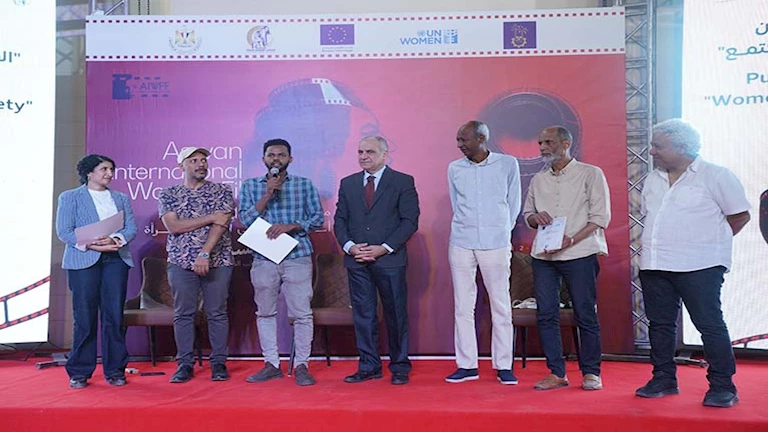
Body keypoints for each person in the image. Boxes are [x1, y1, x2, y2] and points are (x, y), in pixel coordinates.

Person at [636, 119, 750, 408]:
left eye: (658, 146)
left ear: (682, 147)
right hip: (655, 263)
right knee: (660, 325)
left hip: (701, 264)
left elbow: (739, 216)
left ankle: (723, 386)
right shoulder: (653, 179)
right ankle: (663, 378)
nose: (652, 152)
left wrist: (708, 243)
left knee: (709, 325)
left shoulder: (716, 175)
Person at [522, 125, 610, 391]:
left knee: (585, 313)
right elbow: (527, 214)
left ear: (566, 143)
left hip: (579, 253)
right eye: (540, 143)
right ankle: (556, 372)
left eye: (548, 142)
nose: (542, 147)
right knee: (546, 314)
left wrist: (571, 239)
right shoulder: (538, 179)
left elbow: (600, 218)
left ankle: (591, 373)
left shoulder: (590, 173)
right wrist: (535, 218)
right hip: (544, 256)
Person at [334, 135, 420, 385]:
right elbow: (340, 220)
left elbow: (409, 221)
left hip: (389, 260)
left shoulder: (402, 181)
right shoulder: (348, 183)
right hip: (357, 260)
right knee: (363, 315)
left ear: (384, 154)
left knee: (396, 315)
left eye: (370, 152)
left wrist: (384, 248)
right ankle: (369, 366)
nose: (363, 156)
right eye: (360, 152)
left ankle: (399, 366)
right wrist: (350, 247)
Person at [239, 139, 324, 386]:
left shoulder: (304, 185)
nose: (276, 158)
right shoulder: (250, 186)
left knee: (302, 314)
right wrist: (268, 193)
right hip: (263, 257)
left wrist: (293, 226)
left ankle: (302, 366)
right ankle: (271, 364)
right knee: (265, 312)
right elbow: (245, 219)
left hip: (298, 255)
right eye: (271, 155)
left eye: (281, 155)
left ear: (290, 159)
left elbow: (317, 218)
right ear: (264, 159)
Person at [445, 120, 521, 385]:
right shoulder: (454, 168)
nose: (459, 144)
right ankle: (467, 365)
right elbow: (456, 203)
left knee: (500, 304)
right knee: (463, 305)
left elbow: (513, 203)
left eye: (464, 139)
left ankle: (504, 365)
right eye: (458, 139)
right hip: (461, 241)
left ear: (481, 138)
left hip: (496, 242)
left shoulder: (507, 164)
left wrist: (501, 232)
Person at [55, 154, 137, 389]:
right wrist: (92, 244)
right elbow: (64, 231)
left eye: (111, 169)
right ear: (89, 173)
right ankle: (79, 372)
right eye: (104, 169)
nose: (109, 174)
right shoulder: (70, 197)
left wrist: (115, 239)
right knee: (84, 317)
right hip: (83, 260)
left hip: (115, 259)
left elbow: (131, 227)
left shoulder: (120, 198)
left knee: (114, 316)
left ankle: (115, 370)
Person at [158, 147, 235, 383]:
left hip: (218, 259)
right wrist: (210, 217)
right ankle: (184, 364)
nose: (201, 164)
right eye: (193, 160)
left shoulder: (222, 190)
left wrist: (204, 253)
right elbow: (174, 227)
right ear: (181, 166)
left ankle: (218, 363)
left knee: (217, 312)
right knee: (183, 313)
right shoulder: (168, 193)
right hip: (180, 260)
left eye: (203, 160)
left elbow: (221, 223)